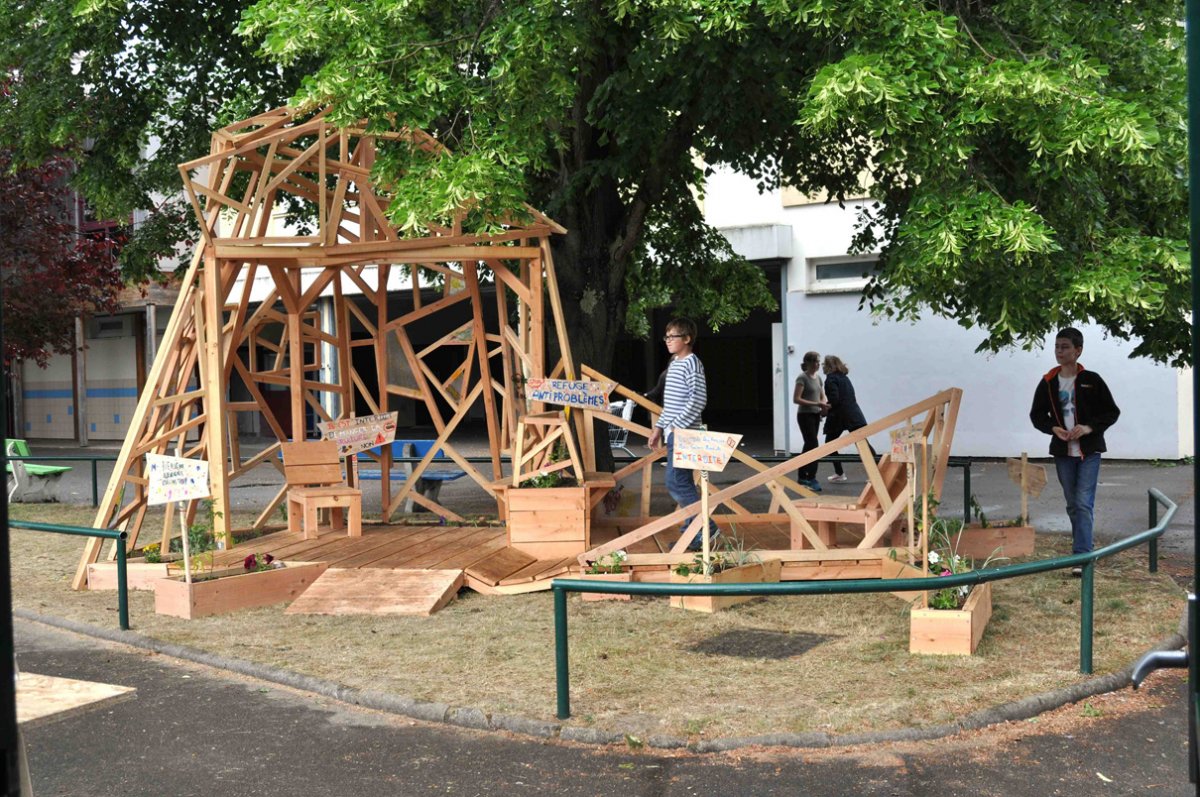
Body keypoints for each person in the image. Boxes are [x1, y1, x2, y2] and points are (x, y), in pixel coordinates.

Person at [1028, 327, 1120, 576]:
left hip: (1089, 452)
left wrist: (1089, 428)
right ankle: (1084, 544)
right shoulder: (1048, 382)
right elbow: (1037, 415)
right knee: (1073, 504)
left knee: (1082, 502)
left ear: (1078, 351)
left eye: (1065, 347)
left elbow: (1111, 412)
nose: (1059, 351)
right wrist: (1054, 428)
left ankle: (1082, 556)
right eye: (1057, 346)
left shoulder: (1092, 379)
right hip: (1063, 453)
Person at [647, 317, 720, 551]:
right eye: (666, 336)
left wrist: (677, 427)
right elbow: (669, 405)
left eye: (673, 336)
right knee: (683, 482)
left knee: (676, 482)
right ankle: (695, 534)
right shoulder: (674, 363)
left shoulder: (692, 363)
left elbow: (698, 400)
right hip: (673, 432)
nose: (668, 340)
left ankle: (706, 528)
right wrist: (659, 428)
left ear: (687, 339)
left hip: (685, 433)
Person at [822, 354, 871, 482]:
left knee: (830, 445)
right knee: (863, 444)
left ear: (827, 366)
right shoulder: (844, 378)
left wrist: (825, 408)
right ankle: (876, 472)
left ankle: (840, 473)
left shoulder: (831, 379)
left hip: (839, 417)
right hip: (853, 415)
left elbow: (835, 400)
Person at [793, 351, 828, 491]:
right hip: (805, 415)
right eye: (814, 361)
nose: (817, 364)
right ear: (807, 363)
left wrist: (823, 405)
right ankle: (811, 477)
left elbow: (822, 395)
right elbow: (796, 399)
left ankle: (802, 476)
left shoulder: (818, 378)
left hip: (815, 415)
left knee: (809, 445)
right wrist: (817, 404)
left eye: (818, 362)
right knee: (813, 444)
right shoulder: (802, 378)